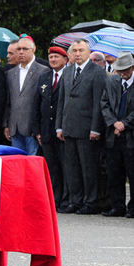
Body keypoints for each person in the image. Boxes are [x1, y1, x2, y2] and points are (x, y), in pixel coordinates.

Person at [56, 38, 107, 214]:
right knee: (72, 167)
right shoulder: (67, 71)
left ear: (88, 52)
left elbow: (98, 103)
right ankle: (75, 200)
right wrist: (59, 126)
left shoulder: (97, 72)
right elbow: (62, 101)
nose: (78, 54)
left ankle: (90, 202)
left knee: (88, 168)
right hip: (69, 126)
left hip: (87, 128)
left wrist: (95, 128)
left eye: (81, 50)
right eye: (75, 50)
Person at [32, 46, 69, 210]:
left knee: (65, 167)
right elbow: (36, 105)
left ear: (65, 60)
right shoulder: (44, 77)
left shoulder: (68, 76)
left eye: (56, 57)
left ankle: (66, 199)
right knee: (52, 168)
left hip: (62, 130)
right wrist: (37, 131)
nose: (53, 59)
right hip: (46, 130)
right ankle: (54, 199)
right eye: (51, 57)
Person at [100, 51, 134, 218]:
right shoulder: (112, 81)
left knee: (132, 172)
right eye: (120, 71)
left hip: (130, 136)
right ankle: (117, 206)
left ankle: (133, 207)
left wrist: (124, 124)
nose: (122, 74)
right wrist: (114, 122)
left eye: (125, 71)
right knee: (114, 172)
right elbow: (104, 103)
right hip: (113, 135)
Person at [3, 37, 49, 155]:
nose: (21, 52)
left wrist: (39, 128)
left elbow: (44, 102)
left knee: (32, 164)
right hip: (14, 127)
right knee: (17, 164)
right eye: (19, 49)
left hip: (32, 127)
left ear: (33, 50)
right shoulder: (11, 73)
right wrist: (6, 124)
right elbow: (9, 101)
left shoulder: (43, 71)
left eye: (25, 49)